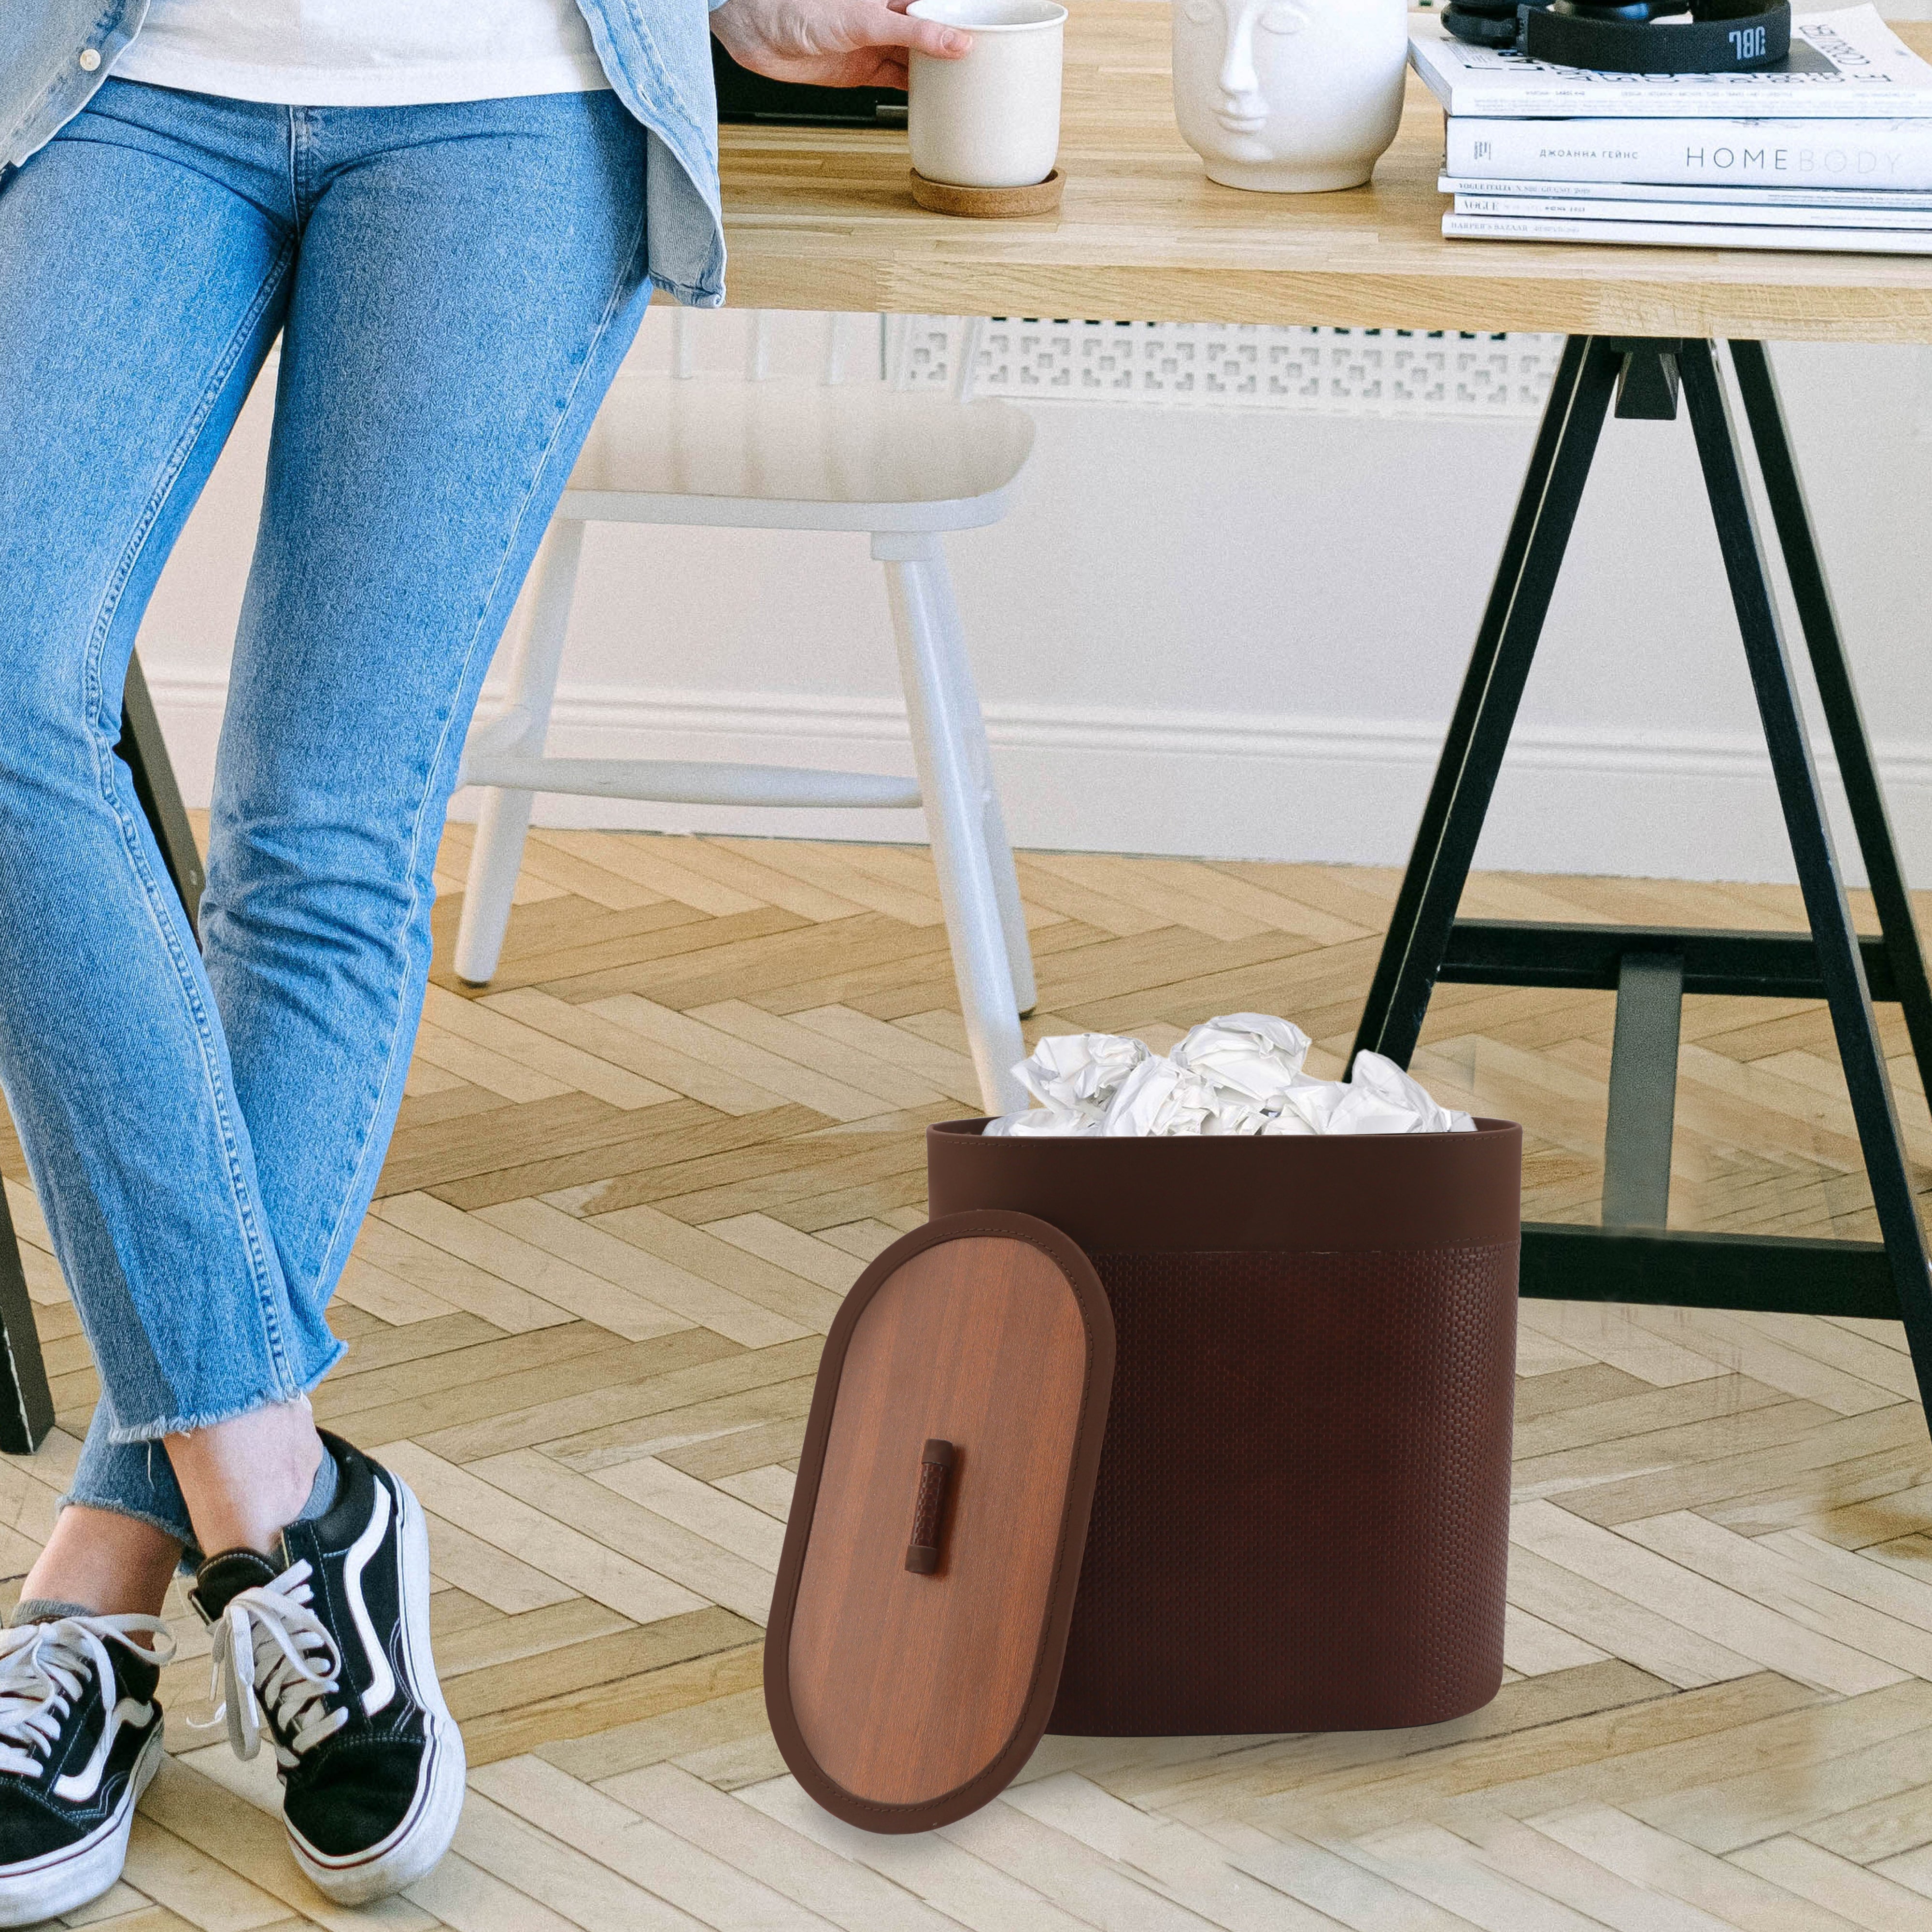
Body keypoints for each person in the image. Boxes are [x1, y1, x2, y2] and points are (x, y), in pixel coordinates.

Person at [0, 0, 970, 1919]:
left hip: (506, 102)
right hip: (129, 74)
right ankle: (285, 1507)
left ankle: (100, 1588)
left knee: (318, 835)